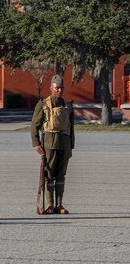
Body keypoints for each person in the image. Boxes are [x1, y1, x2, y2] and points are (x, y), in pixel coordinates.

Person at [31, 74, 75, 214]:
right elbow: (34, 125)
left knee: (61, 175)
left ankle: (59, 204)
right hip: (49, 144)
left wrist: (71, 146)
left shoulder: (68, 105)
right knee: (49, 175)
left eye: (61, 88)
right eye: (57, 88)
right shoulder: (43, 104)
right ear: (51, 88)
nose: (59, 90)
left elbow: (71, 127)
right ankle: (50, 205)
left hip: (64, 144)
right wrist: (36, 144)